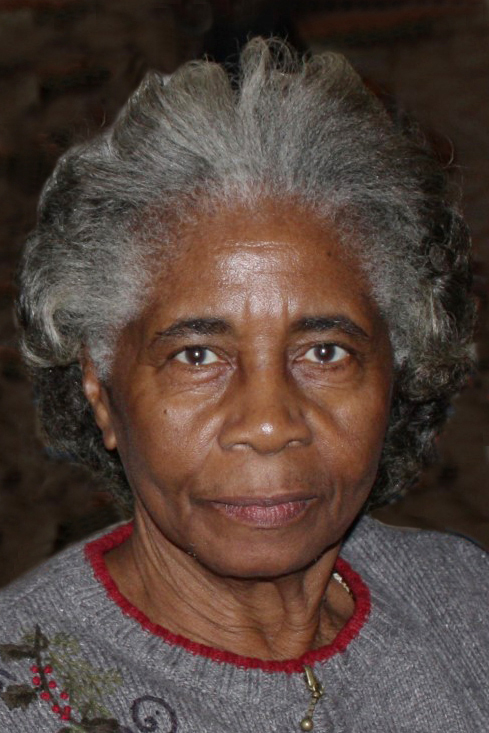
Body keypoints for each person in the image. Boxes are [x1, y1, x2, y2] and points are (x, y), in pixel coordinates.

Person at [0, 37, 487, 732]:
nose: (267, 423)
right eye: (197, 355)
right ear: (100, 390)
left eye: (325, 351)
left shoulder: (465, 605)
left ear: (398, 371)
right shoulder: (23, 694)